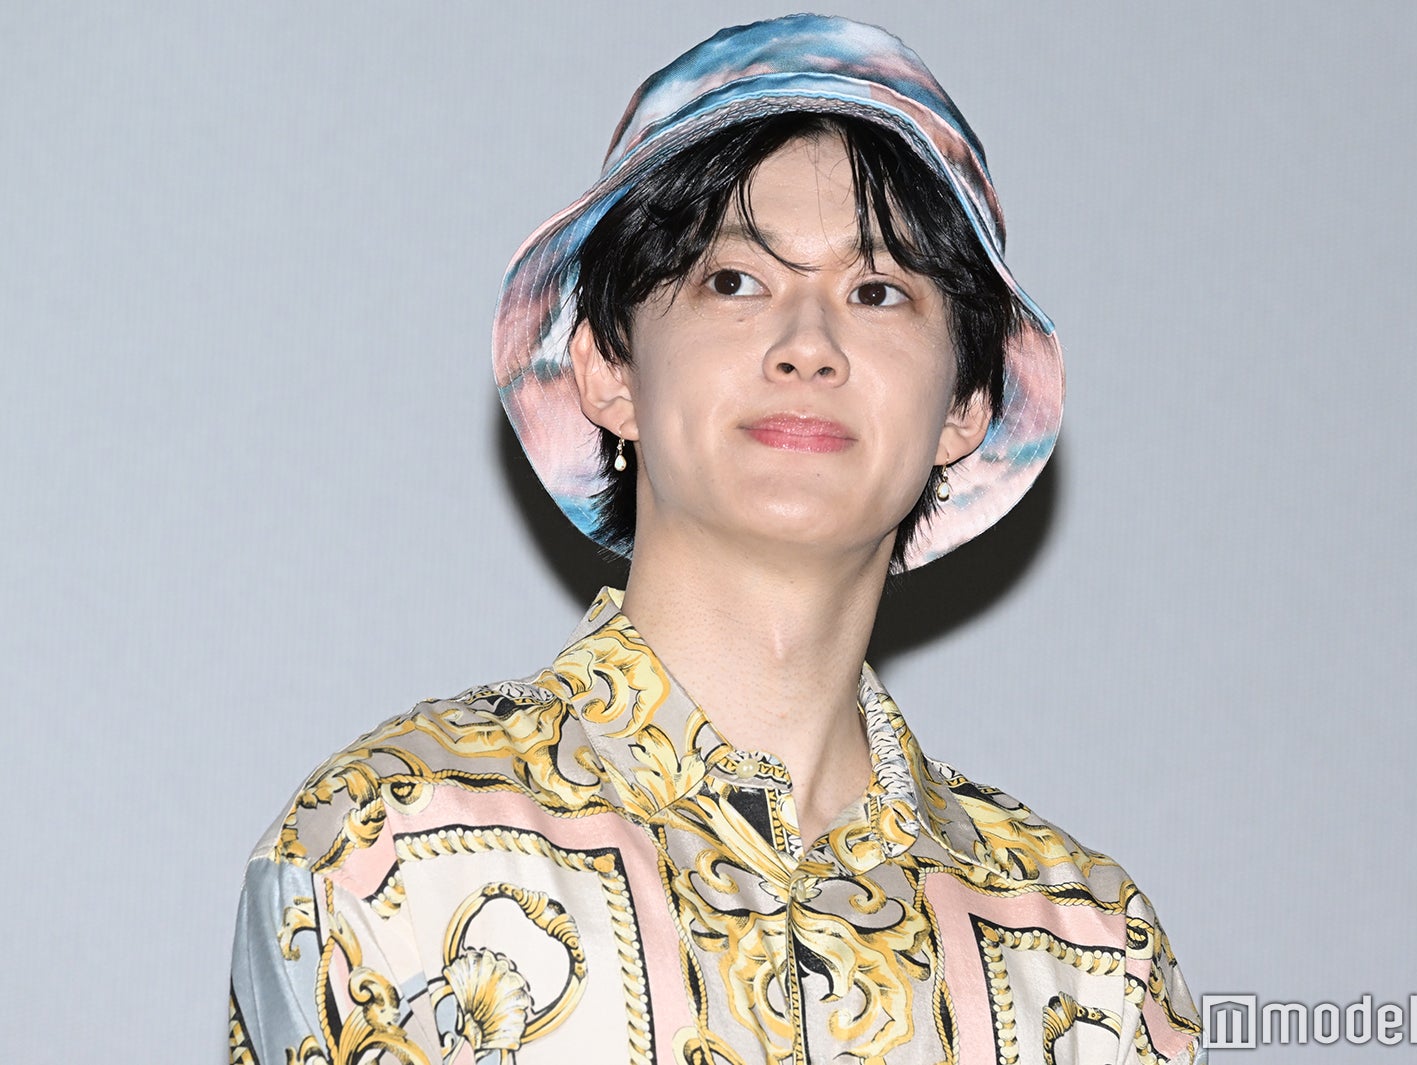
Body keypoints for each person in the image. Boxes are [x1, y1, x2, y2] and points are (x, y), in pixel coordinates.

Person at [227, 15, 1205, 1065]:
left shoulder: (1089, 959)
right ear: (607, 369)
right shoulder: (389, 847)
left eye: (877, 292)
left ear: (965, 407)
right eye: (734, 281)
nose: (807, 345)